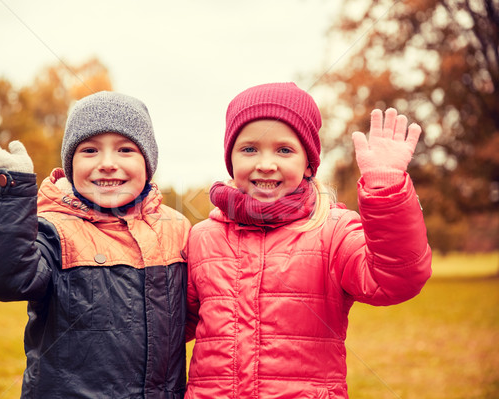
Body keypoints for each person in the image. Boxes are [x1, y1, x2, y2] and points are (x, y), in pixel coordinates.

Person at [184, 82, 432, 398]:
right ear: (230, 158)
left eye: (284, 150)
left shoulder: (333, 232)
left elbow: (396, 279)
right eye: (249, 149)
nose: (265, 163)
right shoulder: (203, 237)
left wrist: (385, 191)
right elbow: (171, 326)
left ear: (308, 163)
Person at [0, 91, 191, 398]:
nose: (108, 163)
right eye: (90, 151)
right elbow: (7, 279)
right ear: (70, 164)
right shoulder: (52, 228)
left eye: (125, 150)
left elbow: (203, 311)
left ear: (148, 162)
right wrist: (12, 192)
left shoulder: (176, 228)